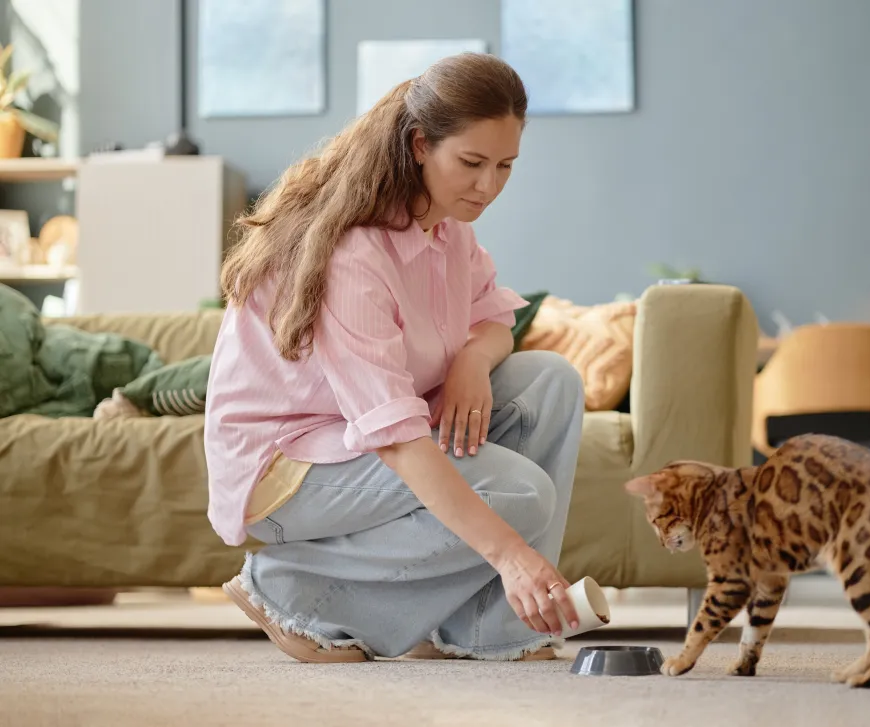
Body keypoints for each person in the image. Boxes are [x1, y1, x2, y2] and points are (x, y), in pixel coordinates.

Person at [203, 52, 584, 663]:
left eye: (505, 166)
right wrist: (513, 556)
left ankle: (490, 628)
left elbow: (494, 320)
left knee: (551, 381)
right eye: (471, 163)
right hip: (287, 469)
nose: (488, 186)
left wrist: (471, 361)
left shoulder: (448, 228)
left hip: (358, 444)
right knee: (519, 496)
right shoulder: (354, 254)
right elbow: (398, 440)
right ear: (419, 145)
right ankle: (291, 589)